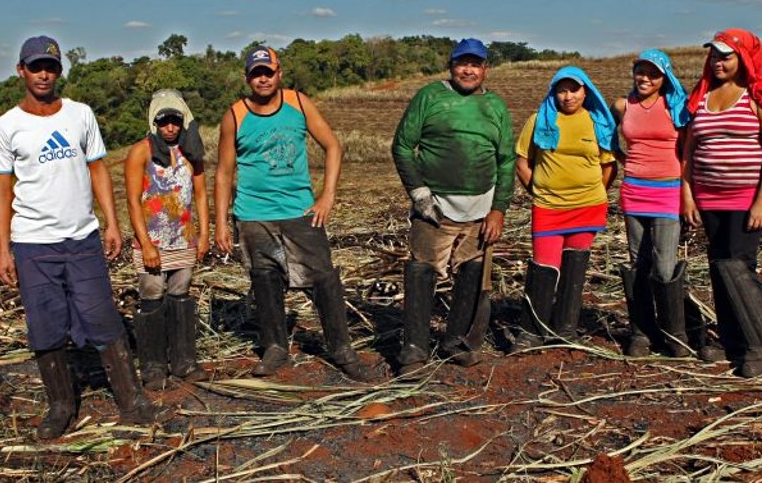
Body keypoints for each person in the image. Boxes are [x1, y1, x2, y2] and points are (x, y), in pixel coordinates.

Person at [0, 35, 156, 440]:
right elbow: (1, 189)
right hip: (32, 243)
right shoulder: (6, 126)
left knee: (101, 316)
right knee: (45, 325)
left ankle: (131, 399)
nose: (44, 74)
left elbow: (98, 169)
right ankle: (61, 405)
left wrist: (112, 224)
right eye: (35, 67)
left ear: (60, 71)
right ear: (21, 71)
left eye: (51, 67)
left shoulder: (80, 115)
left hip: (82, 238)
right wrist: (2, 250)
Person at [214, 47, 370, 381]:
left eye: (268, 72)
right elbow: (224, 174)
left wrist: (327, 196)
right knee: (265, 280)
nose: (263, 79)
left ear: (279, 73)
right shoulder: (235, 115)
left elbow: (333, 146)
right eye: (256, 73)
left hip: (300, 210)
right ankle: (275, 348)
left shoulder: (298, 103)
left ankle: (341, 348)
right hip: (254, 214)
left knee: (324, 279)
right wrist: (221, 225)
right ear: (247, 78)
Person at [392, 38, 516, 372]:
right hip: (436, 209)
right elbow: (402, 146)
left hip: (480, 212)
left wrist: (499, 209)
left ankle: (455, 343)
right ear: (451, 65)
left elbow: (507, 161)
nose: (468, 70)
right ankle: (414, 350)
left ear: (485, 69)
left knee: (472, 274)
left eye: (475, 64)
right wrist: (419, 194)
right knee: (421, 271)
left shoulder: (496, 107)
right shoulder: (430, 96)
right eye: (463, 63)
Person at [681, 28, 762, 378]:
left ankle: (760, 349)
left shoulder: (761, 96)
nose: (718, 62)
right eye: (714, 55)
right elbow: (689, 151)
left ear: (743, 57)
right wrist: (688, 195)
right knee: (719, 267)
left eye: (725, 56)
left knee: (738, 267)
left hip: (744, 198)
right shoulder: (703, 96)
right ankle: (731, 342)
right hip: (708, 198)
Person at [510, 66, 617, 351]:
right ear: (554, 92)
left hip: (587, 207)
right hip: (548, 207)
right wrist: (540, 190)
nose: (568, 96)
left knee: (575, 265)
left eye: (574, 90)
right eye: (562, 89)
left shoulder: (597, 123)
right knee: (544, 265)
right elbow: (522, 161)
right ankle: (531, 332)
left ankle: (565, 329)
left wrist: (593, 193)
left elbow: (608, 166)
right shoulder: (539, 119)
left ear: (587, 92)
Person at [611, 50, 697, 358]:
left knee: (663, 266)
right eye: (640, 72)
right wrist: (621, 158)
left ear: (665, 77)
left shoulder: (677, 106)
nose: (645, 78)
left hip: (668, 191)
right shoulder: (623, 105)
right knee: (639, 264)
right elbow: (605, 131)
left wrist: (690, 196)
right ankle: (641, 334)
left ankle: (675, 333)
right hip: (634, 192)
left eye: (653, 74)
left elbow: (688, 152)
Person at [124, 89, 210, 389]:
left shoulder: (191, 152)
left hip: (183, 237)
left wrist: (204, 234)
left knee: (181, 294)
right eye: (164, 122)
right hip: (153, 240)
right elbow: (133, 200)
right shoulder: (141, 152)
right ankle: (153, 367)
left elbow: (200, 195)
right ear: (154, 122)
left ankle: (185, 361)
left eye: (175, 120)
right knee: (152, 295)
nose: (170, 127)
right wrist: (146, 243)